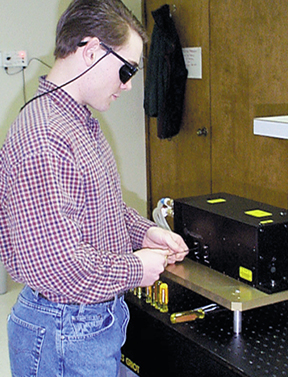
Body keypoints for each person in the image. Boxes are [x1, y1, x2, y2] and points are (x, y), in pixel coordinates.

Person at [0, 1, 188, 376]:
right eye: (127, 69)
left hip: (88, 323)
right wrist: (136, 267)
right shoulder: (46, 136)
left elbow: (98, 207)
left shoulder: (79, 123)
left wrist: (145, 232)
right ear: (90, 51)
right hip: (64, 330)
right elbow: (60, 267)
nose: (130, 83)